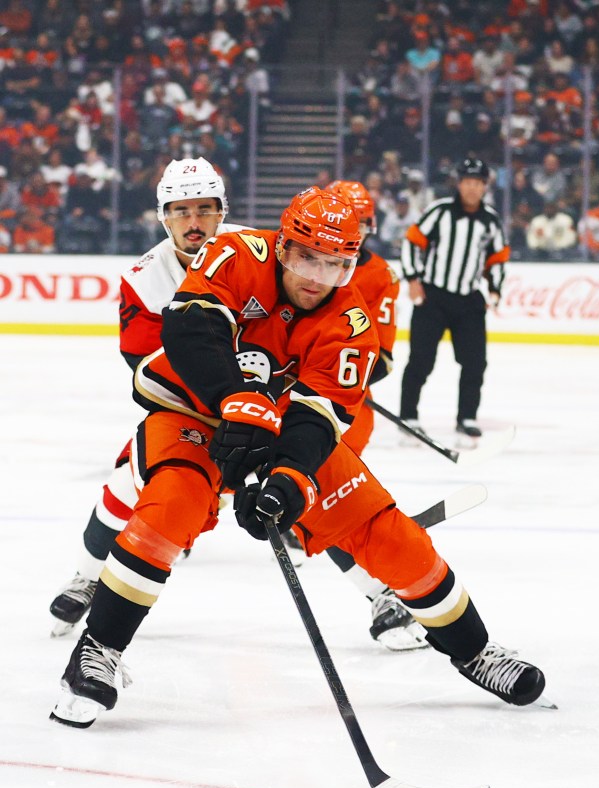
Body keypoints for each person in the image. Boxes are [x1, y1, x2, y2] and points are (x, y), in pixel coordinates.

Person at [50, 186, 546, 729]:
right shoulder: (237, 254)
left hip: (282, 423)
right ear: (283, 246)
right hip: (194, 410)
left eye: (336, 264)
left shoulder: (351, 324)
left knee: (389, 535)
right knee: (170, 509)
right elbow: (190, 328)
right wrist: (231, 400)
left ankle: (475, 650)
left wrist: (287, 482)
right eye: (308, 257)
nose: (318, 276)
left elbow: (317, 422)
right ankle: (96, 652)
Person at [49, 157, 244, 637]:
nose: (194, 222)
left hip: (262, 403)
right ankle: (87, 578)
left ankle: (381, 592)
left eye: (205, 208)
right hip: (185, 408)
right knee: (126, 483)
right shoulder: (144, 278)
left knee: (313, 482)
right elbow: (146, 368)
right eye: (181, 211)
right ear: (163, 217)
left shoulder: (256, 253)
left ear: (223, 210)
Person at [324, 179, 427, 652]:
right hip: (269, 400)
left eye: (364, 222)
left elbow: (381, 357)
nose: (359, 230)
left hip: (340, 406)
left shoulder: (379, 274)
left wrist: (337, 373)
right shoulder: (296, 262)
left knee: (325, 501)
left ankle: (381, 595)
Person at [399, 157, 509, 440]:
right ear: (459, 184)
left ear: (485, 186)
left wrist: (495, 288)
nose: (472, 188)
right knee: (421, 360)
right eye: (467, 182)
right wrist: (413, 279)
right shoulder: (439, 212)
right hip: (432, 296)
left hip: (469, 301)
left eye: (478, 183)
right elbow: (412, 242)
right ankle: (408, 415)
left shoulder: (490, 221)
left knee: (475, 362)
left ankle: (467, 417)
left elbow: (497, 259)